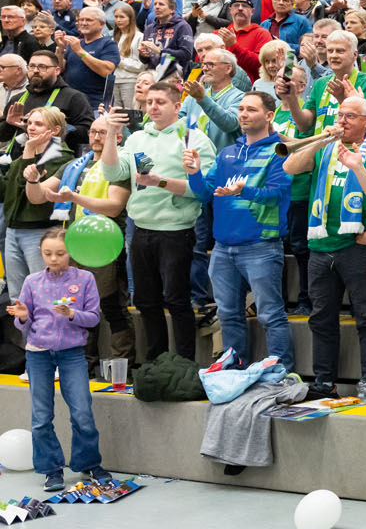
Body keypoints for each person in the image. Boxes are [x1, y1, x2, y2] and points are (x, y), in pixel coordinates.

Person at [283, 96, 366, 403]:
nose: (342, 120)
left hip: (357, 246)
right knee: (321, 318)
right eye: (340, 115)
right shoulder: (324, 149)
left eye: (350, 116)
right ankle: (324, 380)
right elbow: (290, 165)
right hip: (320, 246)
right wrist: (321, 140)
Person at [102, 87, 215, 359]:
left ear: (177, 106)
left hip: (176, 231)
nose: (153, 107)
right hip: (141, 229)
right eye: (149, 101)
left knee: (176, 300)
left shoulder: (193, 139)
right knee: (145, 302)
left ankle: (184, 363)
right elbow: (112, 172)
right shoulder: (137, 138)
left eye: (160, 102)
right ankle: (157, 362)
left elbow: (204, 191)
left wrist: (160, 182)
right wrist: (110, 134)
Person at [184, 91, 292, 367]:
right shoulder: (227, 153)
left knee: (271, 315)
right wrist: (194, 174)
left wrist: (244, 191)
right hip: (223, 248)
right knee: (228, 314)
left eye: (251, 110)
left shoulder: (279, 151)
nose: (243, 114)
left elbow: (277, 195)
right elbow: (205, 194)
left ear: (269, 116)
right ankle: (234, 369)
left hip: (262, 246)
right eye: (241, 109)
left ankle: (281, 372)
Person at [28, 116, 135, 370]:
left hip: (105, 244)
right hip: (75, 242)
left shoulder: (119, 165)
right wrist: (32, 180)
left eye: (103, 132)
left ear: (117, 137)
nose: (96, 136)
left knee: (111, 306)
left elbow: (114, 206)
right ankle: (83, 364)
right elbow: (37, 197)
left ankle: (123, 367)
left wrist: (75, 197)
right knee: (76, 305)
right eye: (93, 132)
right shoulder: (75, 164)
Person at [9, 227, 102, 491]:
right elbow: (23, 323)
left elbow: (94, 318)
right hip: (38, 353)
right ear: (40, 253)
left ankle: (89, 463)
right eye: (47, 253)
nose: (53, 258)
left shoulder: (85, 279)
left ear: (70, 252)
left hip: (72, 353)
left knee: (82, 412)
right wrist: (23, 316)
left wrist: (72, 314)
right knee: (41, 417)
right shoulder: (32, 281)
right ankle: (51, 470)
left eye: (60, 253)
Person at [5, 107, 75, 299]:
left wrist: (28, 150)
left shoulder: (62, 157)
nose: (31, 128)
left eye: (38, 124)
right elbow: (6, 191)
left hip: (40, 230)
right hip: (13, 229)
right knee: (17, 297)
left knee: (44, 293)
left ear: (55, 130)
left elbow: (31, 193)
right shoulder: (25, 154)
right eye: (29, 123)